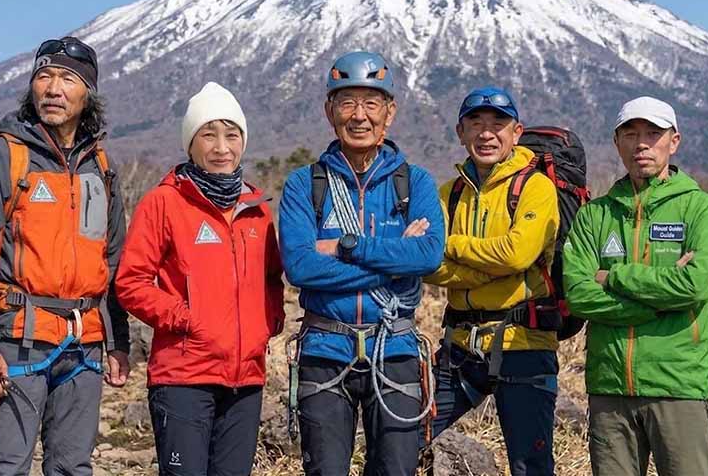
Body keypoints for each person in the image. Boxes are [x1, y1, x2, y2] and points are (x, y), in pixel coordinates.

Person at [0, 36, 131, 475]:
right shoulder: (2, 157)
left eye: (68, 79)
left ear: (88, 93)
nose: (53, 89)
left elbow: (113, 262)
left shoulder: (101, 167)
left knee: (73, 467)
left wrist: (118, 343)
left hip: (84, 346)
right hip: (17, 342)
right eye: (44, 76)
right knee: (8, 466)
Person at [279, 51, 444, 476]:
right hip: (324, 348)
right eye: (347, 102)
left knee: (396, 469)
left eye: (371, 103)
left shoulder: (415, 182)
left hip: (396, 349)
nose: (359, 116)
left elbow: (428, 255)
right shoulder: (305, 184)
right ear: (329, 110)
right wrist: (395, 257)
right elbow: (300, 267)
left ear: (390, 112)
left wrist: (344, 245)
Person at [116, 81, 285, 476]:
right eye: (208, 134)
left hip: (246, 378)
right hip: (183, 376)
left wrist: (267, 323)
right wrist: (186, 319)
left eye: (232, 135)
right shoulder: (164, 202)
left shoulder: (257, 208)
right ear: (190, 144)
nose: (221, 147)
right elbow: (131, 282)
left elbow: (272, 278)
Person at [563, 96, 708, 476]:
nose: (641, 144)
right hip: (609, 388)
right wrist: (656, 304)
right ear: (616, 142)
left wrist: (614, 277)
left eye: (653, 133)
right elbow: (578, 294)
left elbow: (694, 286)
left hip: (679, 385)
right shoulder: (593, 216)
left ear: (674, 141)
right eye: (630, 134)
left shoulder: (703, 210)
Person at [423, 86, 560, 475]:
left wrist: (453, 245)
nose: (486, 133)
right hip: (459, 346)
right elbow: (428, 263)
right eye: (475, 124)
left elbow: (517, 254)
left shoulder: (536, 187)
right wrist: (490, 267)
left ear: (516, 133)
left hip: (524, 344)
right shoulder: (448, 193)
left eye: (498, 124)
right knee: (406, 437)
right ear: (460, 132)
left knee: (530, 465)